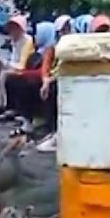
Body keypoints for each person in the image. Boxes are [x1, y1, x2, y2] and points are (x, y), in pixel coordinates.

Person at [0, 20, 55, 126]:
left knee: (25, 83)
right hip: (42, 78)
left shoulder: (50, 48)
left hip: (48, 80)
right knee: (14, 78)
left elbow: (44, 70)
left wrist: (24, 73)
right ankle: (14, 109)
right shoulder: (42, 49)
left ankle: (33, 118)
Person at [33, 15, 73, 152]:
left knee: (54, 89)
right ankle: (50, 129)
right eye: (62, 30)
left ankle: (58, 133)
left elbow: (67, 68)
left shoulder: (75, 48)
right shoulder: (53, 48)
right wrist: (46, 80)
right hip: (55, 79)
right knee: (45, 88)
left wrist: (50, 80)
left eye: (67, 29)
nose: (65, 33)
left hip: (68, 79)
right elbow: (46, 67)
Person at [0, 14, 34, 119]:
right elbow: (14, 59)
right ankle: (3, 104)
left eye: (15, 28)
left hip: (27, 69)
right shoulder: (14, 41)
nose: (12, 31)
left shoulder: (27, 41)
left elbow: (22, 65)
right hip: (18, 68)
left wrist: (4, 62)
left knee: (5, 74)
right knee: (4, 71)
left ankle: (4, 105)